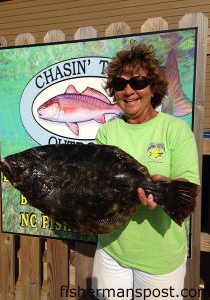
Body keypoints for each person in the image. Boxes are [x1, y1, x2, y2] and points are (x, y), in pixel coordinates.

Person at [91, 42, 200, 300]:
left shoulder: (175, 130)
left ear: (153, 88)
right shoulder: (107, 132)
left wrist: (167, 188)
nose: (129, 91)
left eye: (138, 82)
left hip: (160, 260)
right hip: (111, 251)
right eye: (120, 84)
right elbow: (98, 181)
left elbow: (188, 185)